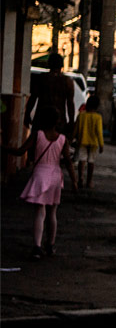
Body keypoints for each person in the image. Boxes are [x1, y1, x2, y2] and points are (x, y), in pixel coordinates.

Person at [14, 107, 68, 258]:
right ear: (57, 121)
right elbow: (68, 162)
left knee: (40, 212)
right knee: (53, 213)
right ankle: (50, 245)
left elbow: (20, 151)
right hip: (56, 175)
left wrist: (4, 148)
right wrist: (76, 180)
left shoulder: (37, 135)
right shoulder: (62, 139)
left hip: (41, 174)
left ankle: (37, 246)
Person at [70, 105, 103, 192]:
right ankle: (89, 181)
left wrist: (71, 139)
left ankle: (81, 178)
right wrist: (101, 144)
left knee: (82, 160)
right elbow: (99, 132)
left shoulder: (81, 115)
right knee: (91, 162)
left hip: (82, 141)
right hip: (93, 143)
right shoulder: (98, 117)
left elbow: (75, 129)